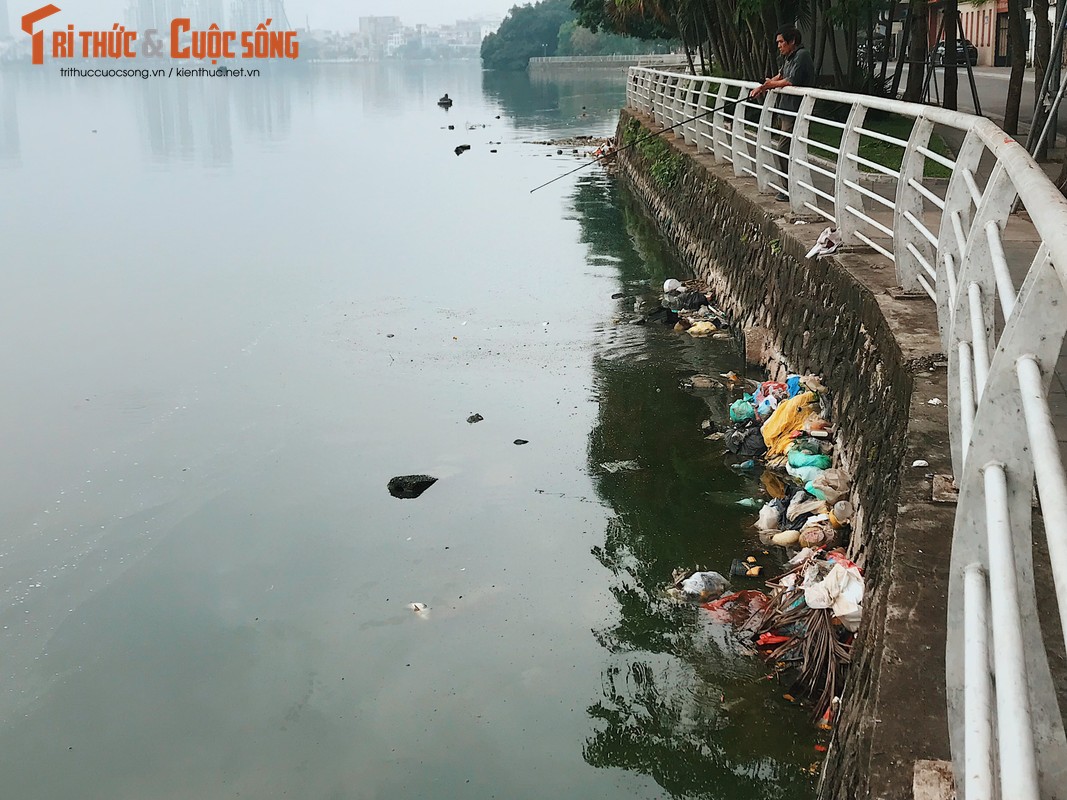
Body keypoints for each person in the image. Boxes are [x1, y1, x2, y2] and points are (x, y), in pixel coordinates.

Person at [749, 26, 815, 201]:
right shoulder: (789, 57)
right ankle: (792, 187)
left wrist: (766, 86)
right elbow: (780, 76)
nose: (778, 45)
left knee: (783, 148)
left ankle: (790, 189)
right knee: (788, 149)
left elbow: (789, 81)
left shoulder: (802, 56)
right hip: (786, 111)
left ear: (792, 41)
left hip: (796, 111)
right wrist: (763, 86)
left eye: (781, 42)